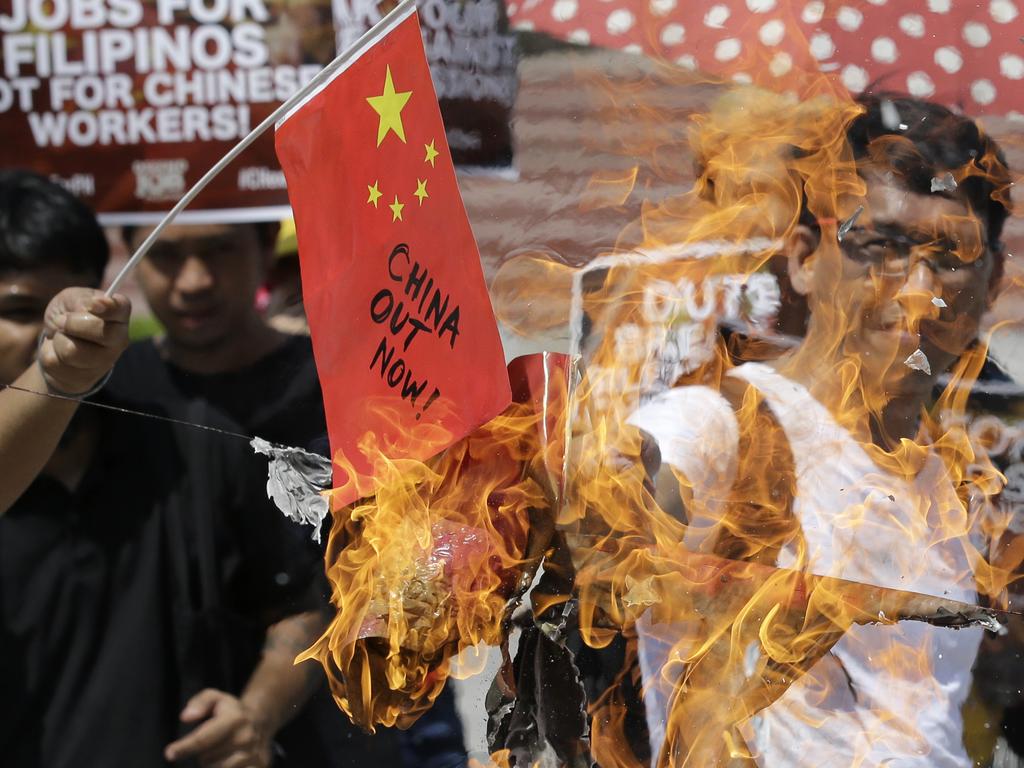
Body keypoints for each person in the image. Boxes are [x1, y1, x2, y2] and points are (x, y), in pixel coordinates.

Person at [624, 93, 1012, 766]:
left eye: (950, 254)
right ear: (805, 258)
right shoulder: (722, 428)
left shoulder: (957, 477)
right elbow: (618, 502)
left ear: (993, 279)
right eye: (881, 246)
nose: (917, 288)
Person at [0, 169, 328, 768]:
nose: (45, 334)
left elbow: (302, 602)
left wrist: (255, 713)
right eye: (19, 311)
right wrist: (53, 379)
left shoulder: (190, 438)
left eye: (58, 310)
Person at [116, 220, 465, 766]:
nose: (194, 280)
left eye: (219, 248)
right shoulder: (110, 396)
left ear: (262, 247)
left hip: (344, 738)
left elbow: (396, 573)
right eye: (164, 255)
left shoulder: (350, 386)